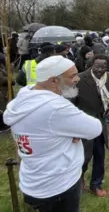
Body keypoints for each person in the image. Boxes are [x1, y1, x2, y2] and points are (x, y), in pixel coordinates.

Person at [4, 56, 102, 212]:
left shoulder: (25, 95)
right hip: (58, 185)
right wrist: (72, 132)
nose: (77, 79)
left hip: (33, 179)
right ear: (54, 81)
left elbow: (44, 130)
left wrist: (67, 132)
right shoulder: (56, 108)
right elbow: (95, 128)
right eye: (72, 76)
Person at [73, 54, 109, 197]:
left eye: (103, 67)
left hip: (100, 124)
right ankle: (79, 181)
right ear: (91, 65)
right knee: (84, 156)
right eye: (97, 66)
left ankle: (96, 185)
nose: (100, 70)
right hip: (83, 123)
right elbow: (71, 101)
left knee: (99, 155)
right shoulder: (79, 78)